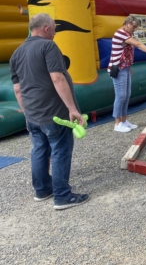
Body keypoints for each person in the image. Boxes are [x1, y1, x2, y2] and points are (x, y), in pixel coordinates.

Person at [9, 13, 89, 210]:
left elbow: (18, 89)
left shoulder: (16, 53)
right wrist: (72, 109)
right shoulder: (48, 46)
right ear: (46, 28)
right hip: (54, 113)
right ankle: (62, 196)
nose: (55, 32)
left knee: (39, 150)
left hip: (33, 115)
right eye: (54, 28)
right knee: (60, 150)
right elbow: (57, 78)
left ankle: (43, 190)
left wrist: (27, 114)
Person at [108, 15, 146, 133]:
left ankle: (124, 120)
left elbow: (130, 51)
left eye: (136, 27)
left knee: (127, 94)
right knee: (121, 95)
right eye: (133, 27)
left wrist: (129, 67)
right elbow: (138, 45)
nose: (134, 29)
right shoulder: (120, 34)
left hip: (125, 68)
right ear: (127, 23)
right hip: (118, 69)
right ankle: (117, 123)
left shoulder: (127, 34)